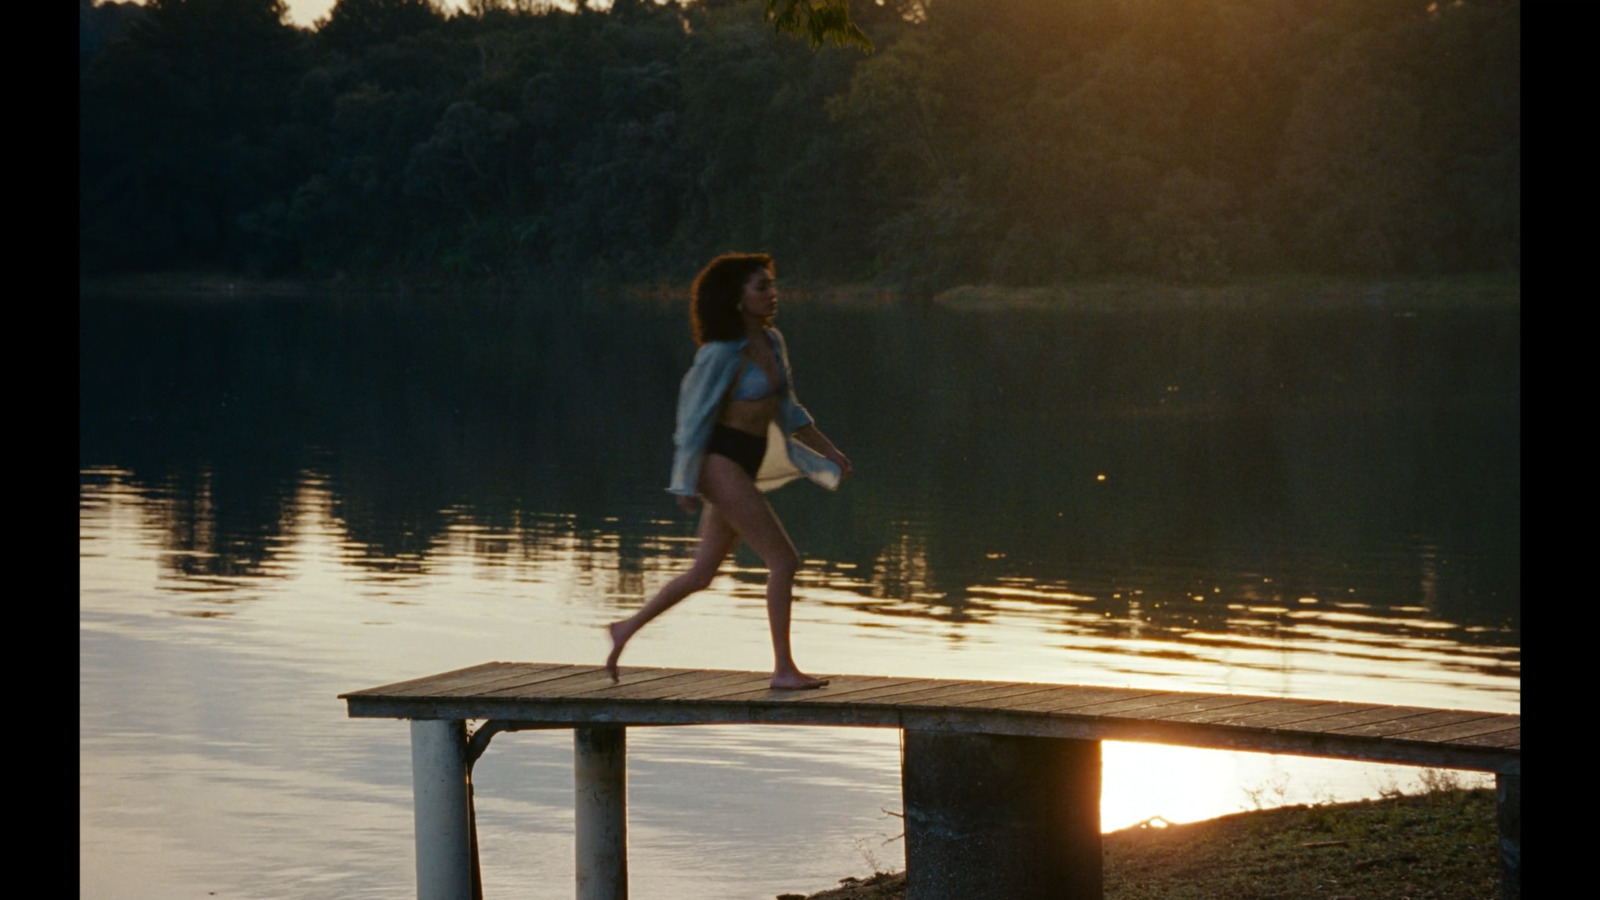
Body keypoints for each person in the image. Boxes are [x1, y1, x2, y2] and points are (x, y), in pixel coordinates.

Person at [605, 253, 852, 689]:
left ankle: (625, 628)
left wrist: (830, 450)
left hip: (747, 461)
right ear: (736, 298)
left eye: (772, 285)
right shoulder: (719, 354)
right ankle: (784, 670)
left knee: (702, 573)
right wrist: (685, 483)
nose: (772, 294)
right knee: (784, 560)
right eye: (761, 287)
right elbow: (692, 420)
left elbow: (790, 411)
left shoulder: (771, 341)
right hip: (720, 463)